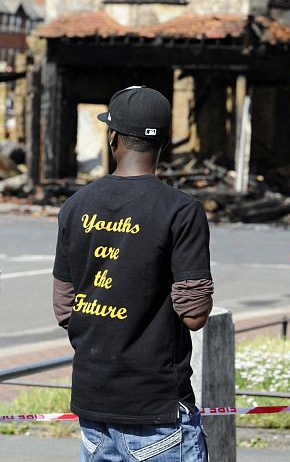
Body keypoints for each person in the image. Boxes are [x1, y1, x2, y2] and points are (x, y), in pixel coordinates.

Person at [52, 85, 213, 462]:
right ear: (165, 142)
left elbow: (64, 308)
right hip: (157, 410)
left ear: (113, 137)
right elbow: (194, 315)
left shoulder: (75, 207)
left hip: (94, 407)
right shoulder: (182, 211)